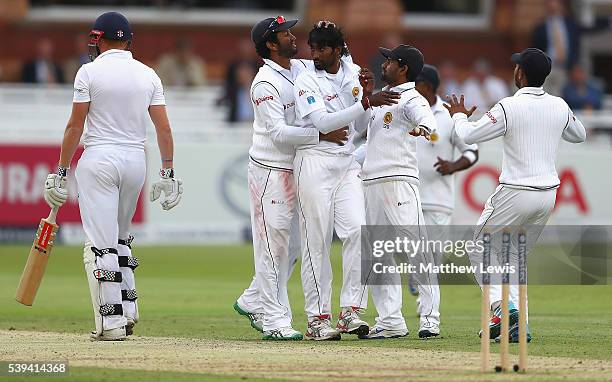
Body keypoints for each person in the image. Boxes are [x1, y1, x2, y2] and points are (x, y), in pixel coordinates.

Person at [42, 12, 183, 341]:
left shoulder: (88, 72)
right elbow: (163, 128)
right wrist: (169, 172)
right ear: (129, 41)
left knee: (100, 245)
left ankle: (111, 324)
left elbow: (75, 126)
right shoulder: (148, 74)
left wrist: (61, 171)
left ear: (99, 40)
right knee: (120, 239)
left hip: (99, 160)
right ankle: (129, 312)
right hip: (136, 162)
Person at [445, 47, 586, 342]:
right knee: (513, 258)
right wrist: (559, 120)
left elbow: (468, 135)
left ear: (520, 73)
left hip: (516, 191)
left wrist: (458, 117)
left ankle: (504, 308)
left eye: (516, 67)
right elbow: (579, 135)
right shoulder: (559, 105)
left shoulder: (508, 106)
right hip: (548, 194)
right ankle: (518, 325)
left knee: (478, 247)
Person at [233, 16, 350, 341]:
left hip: (300, 166)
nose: (292, 36)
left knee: (296, 246)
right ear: (271, 44)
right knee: (273, 247)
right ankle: (274, 319)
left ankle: (254, 299)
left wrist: (337, 37)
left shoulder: (300, 69)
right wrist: (321, 136)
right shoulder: (264, 83)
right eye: (284, 33)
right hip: (270, 170)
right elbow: (279, 132)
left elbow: (337, 67)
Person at [292, 21, 399, 340]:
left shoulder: (353, 73)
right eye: (312, 48)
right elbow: (322, 122)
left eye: (322, 48)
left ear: (338, 50)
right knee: (317, 240)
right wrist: (364, 102)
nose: (315, 54)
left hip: (346, 163)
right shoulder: (306, 78)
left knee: (357, 232)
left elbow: (363, 125)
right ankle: (316, 318)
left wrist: (364, 98)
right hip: (314, 161)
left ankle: (350, 311)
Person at [357, 45, 439, 339]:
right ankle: (390, 320)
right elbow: (362, 132)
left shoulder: (411, 97)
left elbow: (427, 120)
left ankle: (430, 318)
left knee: (415, 249)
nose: (384, 63)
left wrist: (425, 130)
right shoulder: (380, 98)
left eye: (389, 60)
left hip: (398, 181)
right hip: (372, 182)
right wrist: (364, 96)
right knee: (378, 255)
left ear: (402, 68)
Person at [412, 64, 478, 317]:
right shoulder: (407, 109)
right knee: (405, 248)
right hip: (407, 195)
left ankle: (425, 307)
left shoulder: (448, 115)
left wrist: (453, 165)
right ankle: (416, 277)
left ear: (426, 86)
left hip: (438, 199)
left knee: (434, 256)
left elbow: (471, 152)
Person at [531, 0, 580, 95]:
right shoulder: (541, 27)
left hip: (565, 67)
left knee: (562, 95)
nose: (552, 7)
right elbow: (536, 49)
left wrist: (574, 64)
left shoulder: (570, 24)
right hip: (547, 67)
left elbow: (575, 45)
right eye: (550, 5)